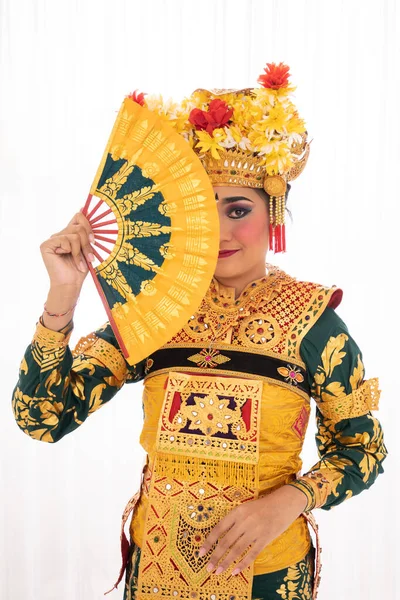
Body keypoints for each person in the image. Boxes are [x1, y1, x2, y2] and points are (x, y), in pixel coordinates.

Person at [12, 63, 387, 600]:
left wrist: (290, 501)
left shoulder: (313, 322)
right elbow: (42, 418)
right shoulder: (156, 310)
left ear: (275, 209)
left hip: (268, 577)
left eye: (238, 209)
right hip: (157, 572)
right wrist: (63, 296)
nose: (221, 232)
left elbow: (362, 448)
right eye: (204, 214)